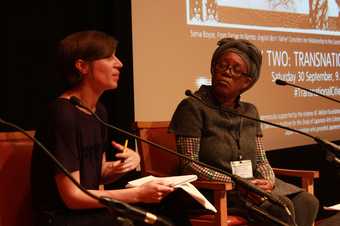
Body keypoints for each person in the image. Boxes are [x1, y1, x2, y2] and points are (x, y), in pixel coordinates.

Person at [31, 30, 192, 226]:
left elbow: (97, 173)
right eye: (109, 57)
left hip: (90, 213)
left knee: (172, 205)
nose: (119, 63)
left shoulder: (98, 110)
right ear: (82, 66)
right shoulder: (62, 114)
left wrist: (124, 165)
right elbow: (72, 197)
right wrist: (137, 194)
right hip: (63, 218)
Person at [169, 38, 319, 226]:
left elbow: (261, 158)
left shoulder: (250, 111)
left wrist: (268, 181)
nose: (226, 72)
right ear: (213, 68)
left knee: (308, 201)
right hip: (217, 191)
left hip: (251, 186)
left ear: (247, 82)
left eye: (235, 69)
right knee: (281, 207)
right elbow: (189, 164)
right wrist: (237, 182)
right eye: (222, 65)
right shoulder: (193, 106)